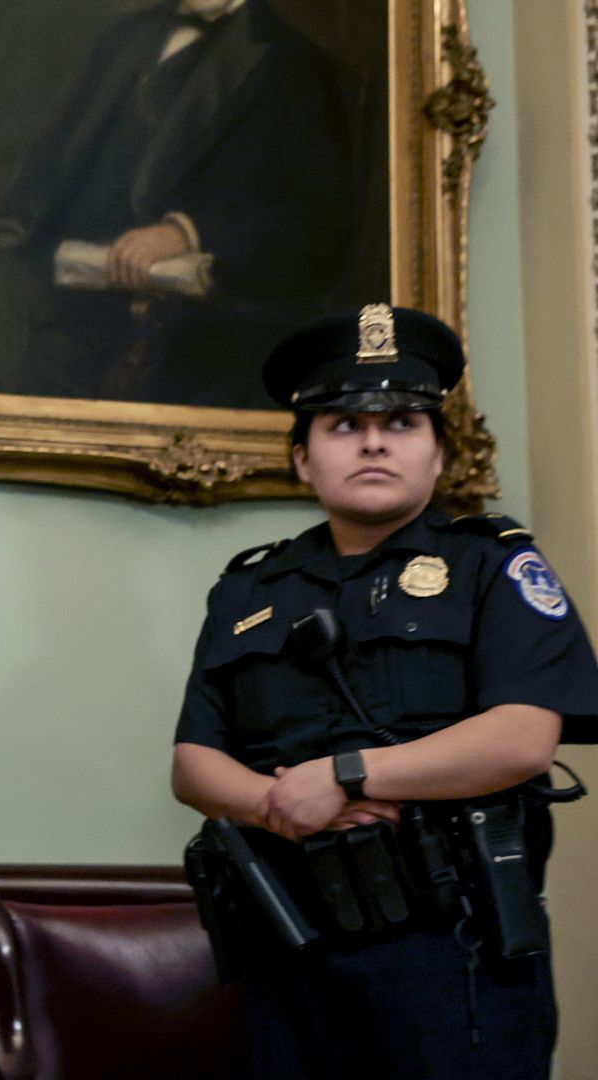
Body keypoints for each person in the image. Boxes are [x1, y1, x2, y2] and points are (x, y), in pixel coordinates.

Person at [171, 305, 598, 1079]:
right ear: (303, 459)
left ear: (439, 455)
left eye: (401, 422)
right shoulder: (247, 590)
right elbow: (195, 762)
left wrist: (344, 776)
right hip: (291, 943)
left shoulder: (491, 568)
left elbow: (524, 737)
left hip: (456, 952)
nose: (372, 440)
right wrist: (280, 806)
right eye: (341, 425)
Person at [0, 0, 357, 407]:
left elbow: (318, 232)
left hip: (194, 318)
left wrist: (187, 233)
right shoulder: (126, 38)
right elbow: (59, 158)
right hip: (69, 283)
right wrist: (16, 226)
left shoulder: (299, 67)